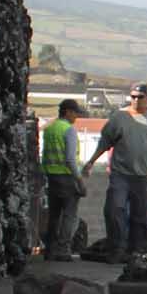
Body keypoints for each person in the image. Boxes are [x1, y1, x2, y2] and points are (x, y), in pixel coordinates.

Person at [82, 82, 147, 257]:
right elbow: (105, 141)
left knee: (140, 215)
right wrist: (91, 162)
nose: (136, 100)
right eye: (132, 96)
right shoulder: (119, 117)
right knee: (114, 208)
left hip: (144, 175)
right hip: (121, 174)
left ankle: (135, 249)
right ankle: (117, 246)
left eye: (140, 97)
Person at [39, 99, 87, 261]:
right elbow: (70, 159)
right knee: (69, 215)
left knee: (54, 215)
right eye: (75, 113)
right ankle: (63, 249)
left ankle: (50, 250)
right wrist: (79, 181)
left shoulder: (50, 129)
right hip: (67, 178)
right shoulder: (69, 130)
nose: (76, 117)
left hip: (51, 177)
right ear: (67, 112)